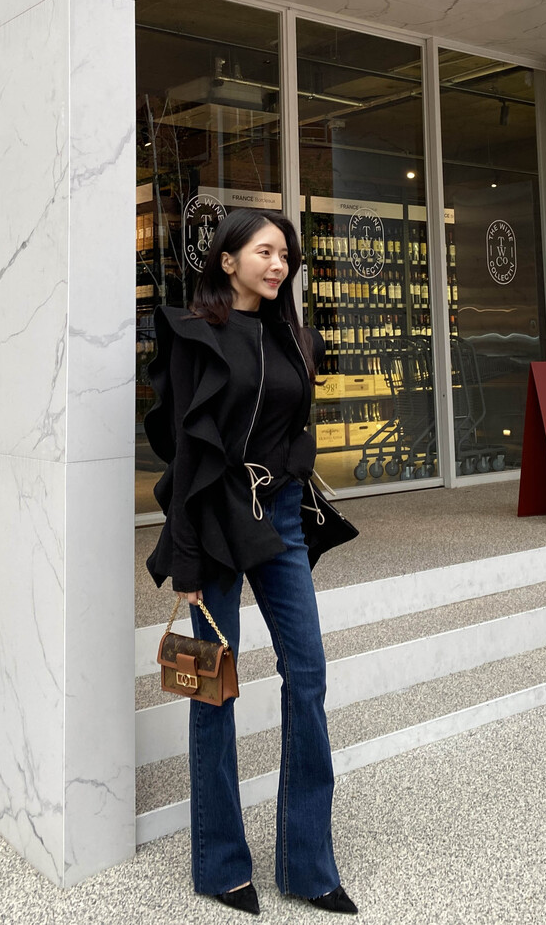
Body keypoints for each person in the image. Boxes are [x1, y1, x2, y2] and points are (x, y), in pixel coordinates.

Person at [145, 208, 358, 917]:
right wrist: (185, 558)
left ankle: (308, 864)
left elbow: (298, 427)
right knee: (214, 689)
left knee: (308, 673)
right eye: (265, 251)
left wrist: (291, 471)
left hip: (281, 520)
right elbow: (185, 450)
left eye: (286, 255)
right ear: (227, 259)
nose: (278, 264)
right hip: (214, 522)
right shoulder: (193, 334)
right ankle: (220, 864)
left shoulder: (296, 337)